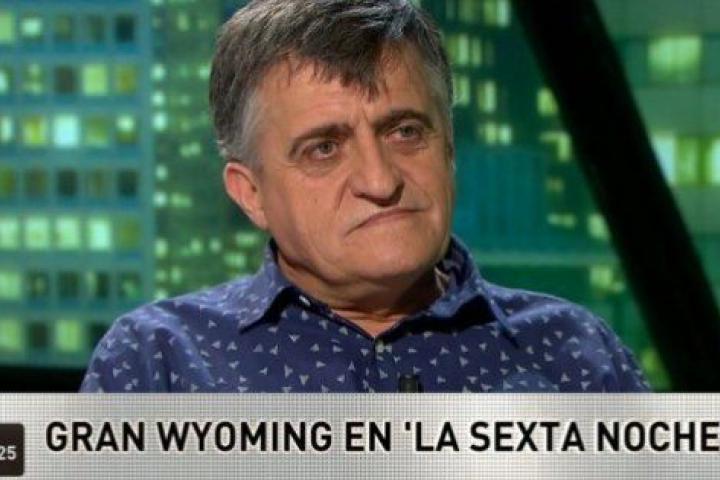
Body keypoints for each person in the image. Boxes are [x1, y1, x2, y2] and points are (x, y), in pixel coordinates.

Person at [80, 0, 650, 393]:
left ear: (450, 148)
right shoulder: (158, 363)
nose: (380, 182)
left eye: (405, 131)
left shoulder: (575, 354)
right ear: (251, 194)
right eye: (324, 148)